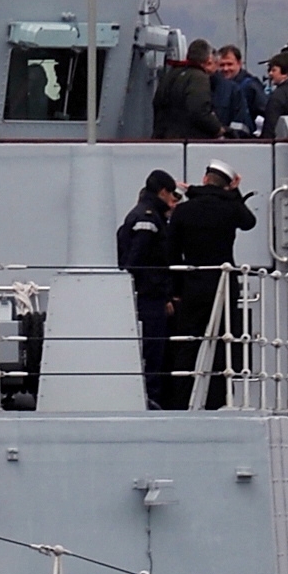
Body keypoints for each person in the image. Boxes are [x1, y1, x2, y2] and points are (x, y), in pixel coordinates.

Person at [166, 164, 256, 406]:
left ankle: (181, 399)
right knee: (224, 342)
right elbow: (249, 222)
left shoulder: (183, 210)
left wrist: (175, 291)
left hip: (192, 283)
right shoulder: (229, 208)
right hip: (224, 282)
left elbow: (171, 252)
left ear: (205, 178)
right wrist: (235, 193)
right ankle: (218, 399)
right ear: (227, 184)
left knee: (188, 344)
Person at [116, 170, 182, 407]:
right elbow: (140, 260)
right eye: (171, 194)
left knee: (152, 348)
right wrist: (161, 293)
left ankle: (149, 396)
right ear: (163, 191)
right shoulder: (147, 219)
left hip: (146, 294)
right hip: (148, 296)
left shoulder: (148, 215)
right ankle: (150, 398)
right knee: (152, 348)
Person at [150, 39, 219, 147]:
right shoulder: (198, 77)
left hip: (162, 140)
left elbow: (157, 102)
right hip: (188, 143)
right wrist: (218, 128)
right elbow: (198, 110)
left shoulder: (170, 74)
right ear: (208, 59)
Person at [207, 43, 263, 139]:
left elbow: (263, 115)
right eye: (222, 65)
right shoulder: (212, 86)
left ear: (239, 63)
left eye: (229, 64)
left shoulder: (251, 87)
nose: (225, 69)